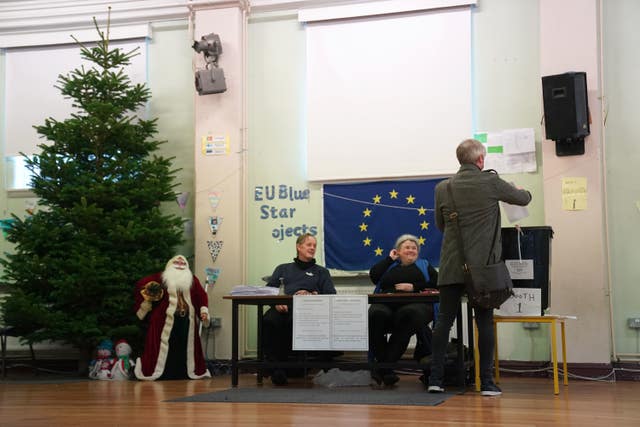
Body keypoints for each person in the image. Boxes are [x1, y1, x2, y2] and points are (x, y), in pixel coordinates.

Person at [427, 138, 532, 396]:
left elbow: (441, 225)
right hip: (483, 270)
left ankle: (435, 380)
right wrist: (521, 189)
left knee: (443, 321)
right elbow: (522, 198)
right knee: (484, 321)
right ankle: (485, 383)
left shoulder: (443, 187)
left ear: (459, 160)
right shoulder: (490, 182)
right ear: (481, 160)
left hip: (452, 265)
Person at [263, 233, 336, 385]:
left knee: (293, 322)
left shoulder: (321, 272)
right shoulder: (283, 269)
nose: (312, 248)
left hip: (309, 311)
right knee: (269, 320)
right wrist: (276, 302)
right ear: (298, 247)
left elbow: (331, 295)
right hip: (283, 306)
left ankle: (291, 368)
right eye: (309, 245)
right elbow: (269, 290)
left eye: (314, 246)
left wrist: (313, 294)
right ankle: (276, 369)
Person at [368, 234, 438, 386]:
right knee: (375, 314)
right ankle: (386, 369)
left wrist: (414, 287)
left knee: (408, 315)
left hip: (415, 306)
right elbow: (374, 276)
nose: (411, 250)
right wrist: (389, 259)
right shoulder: (390, 265)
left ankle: (382, 368)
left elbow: (437, 282)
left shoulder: (424, 265)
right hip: (387, 304)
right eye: (407, 247)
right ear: (397, 251)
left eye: (414, 248)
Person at [133, 254, 211, 380]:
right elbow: (142, 285)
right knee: (163, 348)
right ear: (170, 265)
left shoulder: (192, 280)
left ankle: (183, 372)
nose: (180, 266)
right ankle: (162, 373)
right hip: (163, 321)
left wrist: (203, 310)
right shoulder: (160, 278)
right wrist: (149, 294)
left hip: (186, 321)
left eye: (183, 264)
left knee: (184, 348)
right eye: (177, 263)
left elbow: (201, 296)